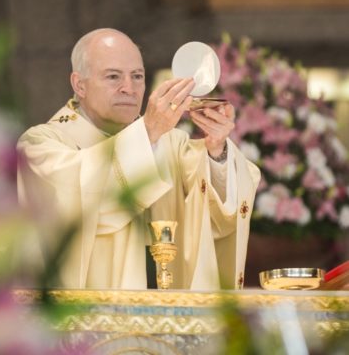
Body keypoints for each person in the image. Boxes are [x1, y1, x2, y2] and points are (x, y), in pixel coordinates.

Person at [17, 28, 260, 290]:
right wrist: (149, 131)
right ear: (79, 84)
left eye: (137, 76)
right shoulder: (41, 145)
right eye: (113, 77)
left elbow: (215, 217)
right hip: (90, 322)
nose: (129, 89)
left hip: (167, 318)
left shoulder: (170, 143)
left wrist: (216, 150)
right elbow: (80, 206)